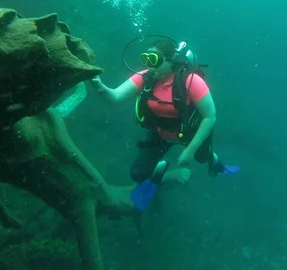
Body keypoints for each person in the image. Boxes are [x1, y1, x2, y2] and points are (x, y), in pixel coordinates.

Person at [89, 37, 237, 208]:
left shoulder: (190, 81)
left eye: (154, 59)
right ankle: (167, 172)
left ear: (170, 60)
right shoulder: (146, 77)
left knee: (202, 158)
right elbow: (115, 97)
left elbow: (210, 116)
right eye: (146, 58)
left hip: (189, 132)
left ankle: (215, 161)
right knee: (138, 174)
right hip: (159, 132)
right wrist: (100, 88)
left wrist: (190, 150)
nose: (149, 65)